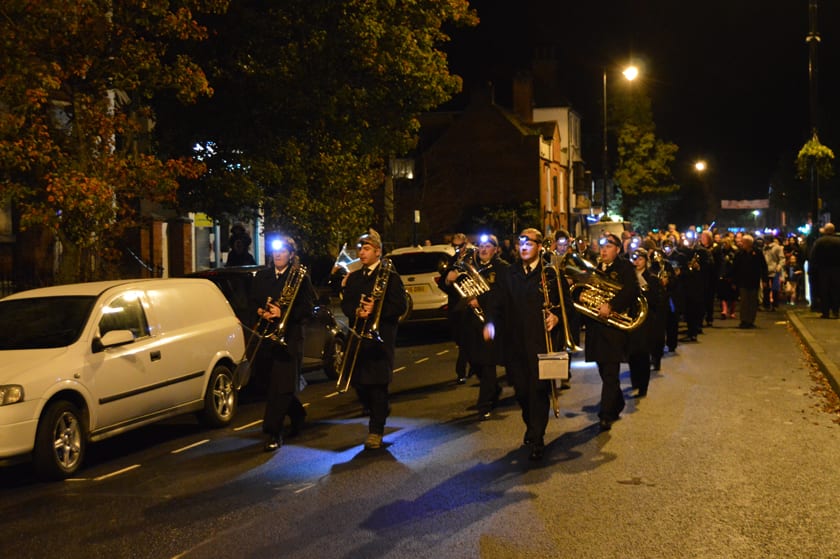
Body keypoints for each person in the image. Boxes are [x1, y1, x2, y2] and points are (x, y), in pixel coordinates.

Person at [484, 228, 561, 461]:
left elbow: (563, 306)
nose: (524, 247)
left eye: (529, 243)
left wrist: (556, 317)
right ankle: (531, 425)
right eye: (521, 243)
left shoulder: (550, 273)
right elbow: (496, 301)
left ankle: (538, 437)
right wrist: (490, 323)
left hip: (540, 343)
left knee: (538, 391)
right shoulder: (510, 273)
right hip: (515, 344)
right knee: (521, 391)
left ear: (540, 247)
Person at [340, 229, 407, 449]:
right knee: (359, 383)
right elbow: (346, 303)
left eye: (367, 248)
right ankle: (380, 409)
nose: (362, 252)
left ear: (378, 252)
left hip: (381, 337)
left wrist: (377, 308)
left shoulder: (390, 276)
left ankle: (375, 431)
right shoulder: (355, 278)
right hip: (359, 336)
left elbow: (400, 306)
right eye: (360, 248)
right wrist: (357, 312)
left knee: (377, 385)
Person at [250, 236, 314, 452]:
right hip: (268, 337)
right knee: (270, 385)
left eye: (282, 251)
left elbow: (307, 308)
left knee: (282, 386)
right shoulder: (262, 276)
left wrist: (284, 312)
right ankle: (297, 414)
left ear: (291, 255)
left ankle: (272, 432)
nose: (277, 255)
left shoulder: (299, 277)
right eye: (275, 251)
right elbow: (252, 302)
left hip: (291, 337)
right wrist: (261, 311)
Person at [583, 233, 639, 431]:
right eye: (602, 246)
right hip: (596, 329)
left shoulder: (624, 267)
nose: (604, 250)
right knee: (603, 370)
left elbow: (632, 290)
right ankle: (617, 403)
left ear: (617, 249)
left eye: (609, 246)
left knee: (610, 372)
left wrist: (612, 305)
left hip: (614, 328)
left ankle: (605, 415)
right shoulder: (595, 268)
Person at [453, 234, 509, 419]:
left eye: (488, 246)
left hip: (491, 321)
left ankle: (484, 405)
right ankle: (493, 389)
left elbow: (502, 294)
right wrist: (449, 279)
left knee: (487, 364)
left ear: (496, 249)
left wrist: (482, 300)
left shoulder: (502, 268)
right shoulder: (473, 267)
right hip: (471, 322)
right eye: (481, 246)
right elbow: (460, 289)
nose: (483, 249)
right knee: (473, 361)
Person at [627, 248, 665, 395]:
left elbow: (657, 301)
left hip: (646, 321)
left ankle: (643, 385)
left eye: (640, 259)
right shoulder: (628, 277)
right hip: (631, 318)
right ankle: (634, 381)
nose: (637, 262)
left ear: (646, 261)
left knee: (643, 354)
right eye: (635, 259)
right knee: (632, 353)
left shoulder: (652, 279)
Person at [444, 233, 472, 384]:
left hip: (469, 303)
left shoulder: (472, 258)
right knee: (460, 339)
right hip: (456, 304)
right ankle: (470, 366)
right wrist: (448, 280)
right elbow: (444, 282)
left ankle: (461, 370)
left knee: (466, 339)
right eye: (454, 246)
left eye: (459, 246)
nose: (457, 249)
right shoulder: (453, 260)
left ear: (465, 244)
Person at [731, 234, 768, 328]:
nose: (742, 244)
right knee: (744, 301)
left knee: (752, 301)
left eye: (744, 242)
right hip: (743, 281)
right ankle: (743, 320)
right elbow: (735, 268)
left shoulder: (757, 253)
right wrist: (734, 281)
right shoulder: (739, 253)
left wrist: (764, 279)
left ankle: (750, 320)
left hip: (754, 280)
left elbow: (763, 267)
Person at [809, 223, 840, 319]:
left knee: (824, 291)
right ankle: (836, 311)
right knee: (836, 290)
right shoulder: (838, 241)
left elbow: (813, 256)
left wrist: (813, 268)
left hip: (822, 270)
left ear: (826, 231)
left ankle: (825, 312)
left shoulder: (819, 242)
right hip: (837, 269)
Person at [762, 235, 784, 311]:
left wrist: (779, 266)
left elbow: (782, 259)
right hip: (765, 270)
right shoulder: (764, 248)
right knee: (766, 289)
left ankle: (774, 304)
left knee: (775, 289)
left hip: (774, 270)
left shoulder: (777, 248)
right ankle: (767, 304)